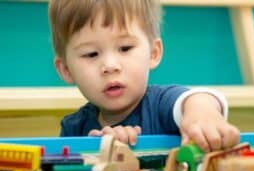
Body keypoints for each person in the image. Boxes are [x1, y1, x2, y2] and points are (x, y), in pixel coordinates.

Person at [48, 0, 239, 152]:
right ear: (66, 69)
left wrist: (202, 116)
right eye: (91, 54)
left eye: (125, 48)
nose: (110, 66)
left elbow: (196, 98)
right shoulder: (73, 128)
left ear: (153, 53)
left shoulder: (161, 104)